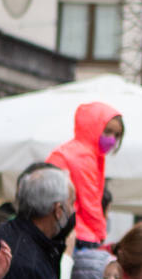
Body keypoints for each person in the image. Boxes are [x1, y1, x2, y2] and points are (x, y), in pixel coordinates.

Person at [46, 102, 123, 250]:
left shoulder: (75, 151)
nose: (112, 139)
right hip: (77, 233)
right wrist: (100, 233)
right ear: (93, 128)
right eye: (107, 132)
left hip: (63, 227)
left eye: (116, 135)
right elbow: (89, 202)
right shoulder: (82, 156)